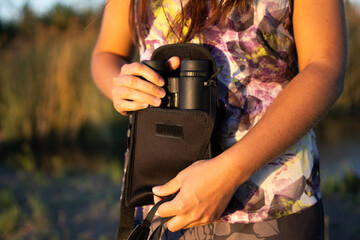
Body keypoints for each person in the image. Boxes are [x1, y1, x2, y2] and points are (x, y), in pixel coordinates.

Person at [91, 0, 347, 239]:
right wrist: (121, 85)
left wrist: (230, 171)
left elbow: (324, 65)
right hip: (159, 202)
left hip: (272, 201)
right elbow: (107, 53)